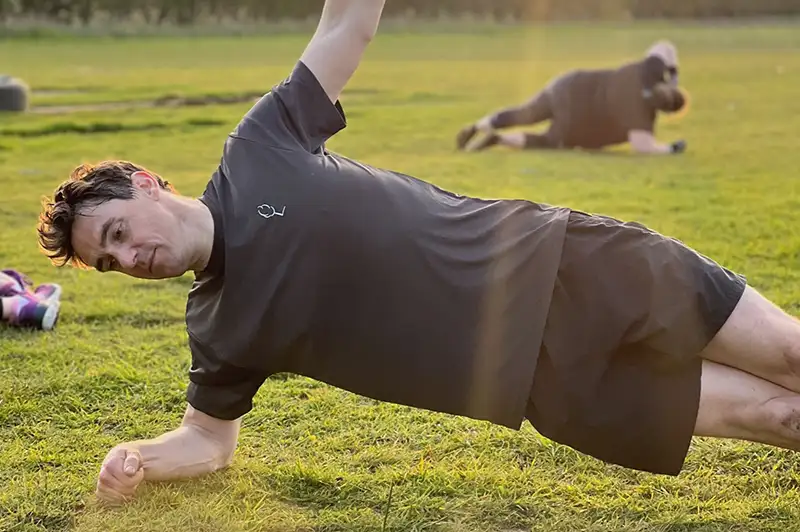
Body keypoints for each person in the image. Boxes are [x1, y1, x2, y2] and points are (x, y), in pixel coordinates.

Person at [34, 0, 800, 508]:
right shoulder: (219, 329)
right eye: (109, 264)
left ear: (144, 182)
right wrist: (140, 456)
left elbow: (348, 26)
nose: (129, 259)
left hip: (570, 265)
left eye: (117, 234)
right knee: (782, 416)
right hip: (547, 385)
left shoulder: (258, 149)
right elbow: (208, 440)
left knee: (790, 356)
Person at [455, 40, 688, 154]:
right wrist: (671, 149)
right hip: (576, 122)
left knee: (525, 113)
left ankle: (479, 125)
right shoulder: (643, 117)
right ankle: (500, 140)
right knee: (546, 141)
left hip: (569, 85)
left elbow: (665, 47)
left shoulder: (649, 72)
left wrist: (674, 75)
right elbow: (643, 146)